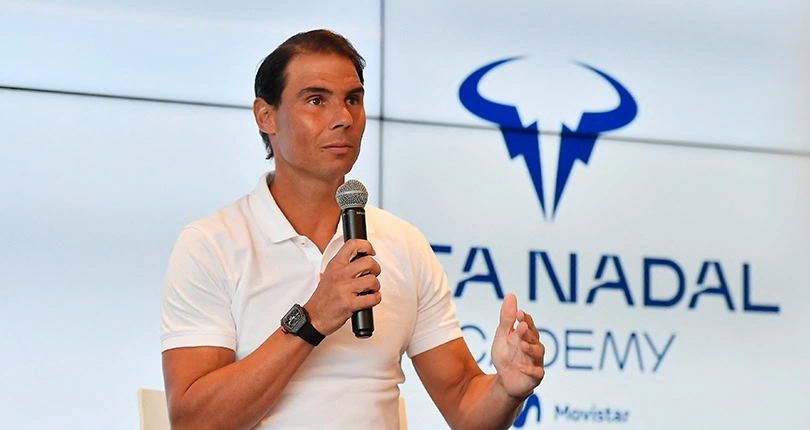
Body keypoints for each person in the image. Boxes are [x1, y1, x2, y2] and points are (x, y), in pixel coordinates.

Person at [160, 29, 545, 430]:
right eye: (316, 100)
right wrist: (312, 320)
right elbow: (193, 421)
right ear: (266, 116)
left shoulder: (403, 244)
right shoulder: (211, 244)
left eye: (352, 100)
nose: (343, 118)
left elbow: (464, 402)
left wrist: (507, 388)